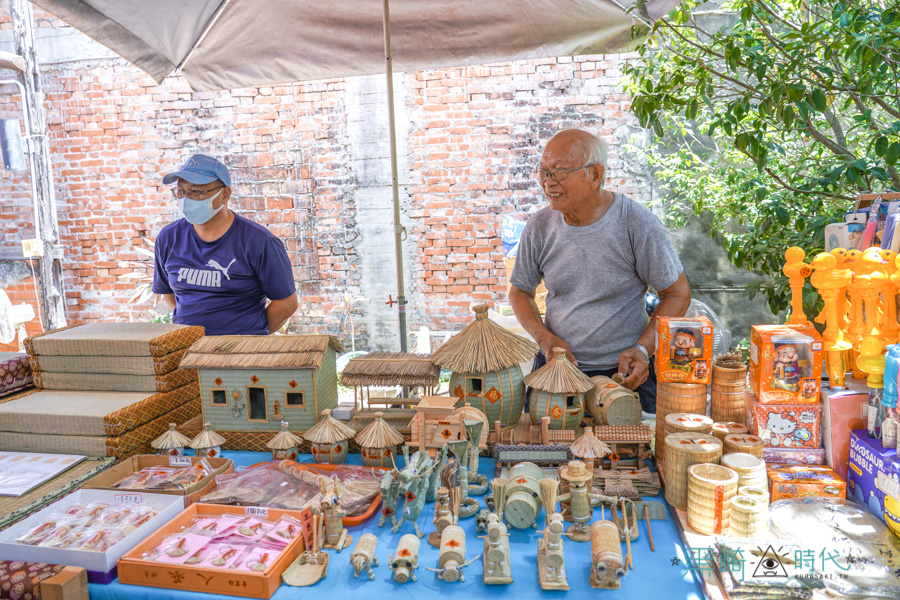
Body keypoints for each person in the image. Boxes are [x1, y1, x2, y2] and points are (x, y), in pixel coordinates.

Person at [509, 129, 692, 412]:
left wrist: (644, 349)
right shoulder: (540, 226)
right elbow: (520, 292)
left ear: (594, 175)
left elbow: (677, 293)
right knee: (545, 447)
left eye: (558, 172)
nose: (548, 183)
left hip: (624, 375)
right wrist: (546, 340)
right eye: (543, 172)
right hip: (556, 369)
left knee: (631, 448)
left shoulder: (637, 224)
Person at [153, 154, 298, 335]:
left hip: (241, 354)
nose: (186, 199)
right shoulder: (169, 238)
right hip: (187, 351)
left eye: (197, 192)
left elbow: (286, 304)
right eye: (181, 191)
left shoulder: (259, 242)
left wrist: (250, 336)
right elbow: (171, 295)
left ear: (225, 195)